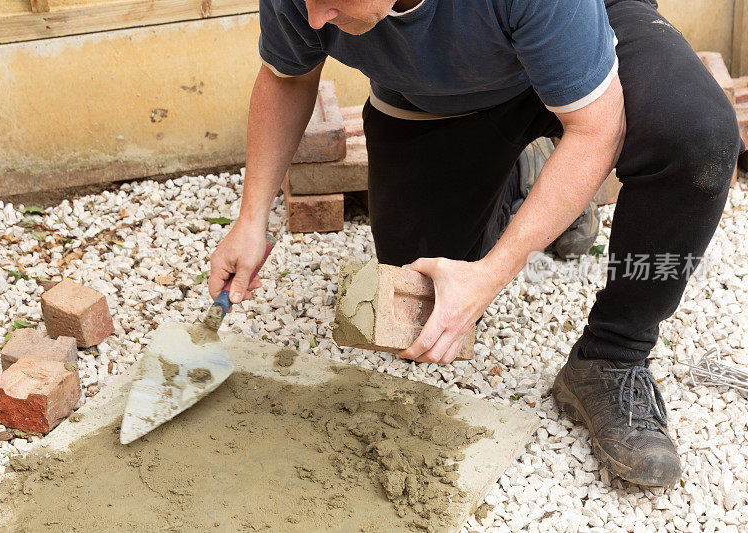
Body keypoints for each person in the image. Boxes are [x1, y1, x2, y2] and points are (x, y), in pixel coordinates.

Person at [208, 0, 744, 487]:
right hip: (442, 93)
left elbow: (596, 128)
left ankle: (613, 357)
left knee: (695, 134)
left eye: (332, 0)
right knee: (412, 285)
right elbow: (286, 77)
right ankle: (536, 181)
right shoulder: (303, 2)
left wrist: (491, 275)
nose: (316, 18)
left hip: (584, 35)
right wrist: (252, 219)